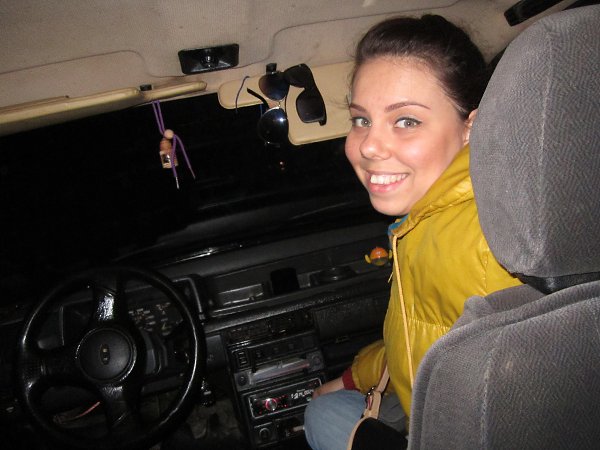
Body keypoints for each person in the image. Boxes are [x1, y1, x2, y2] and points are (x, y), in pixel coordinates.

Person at [304, 14, 521, 450]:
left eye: (406, 121)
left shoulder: (486, 241)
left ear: (471, 128)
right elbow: (423, 331)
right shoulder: (429, 223)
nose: (368, 145)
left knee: (320, 417)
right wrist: (354, 377)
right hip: (432, 403)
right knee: (326, 408)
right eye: (361, 120)